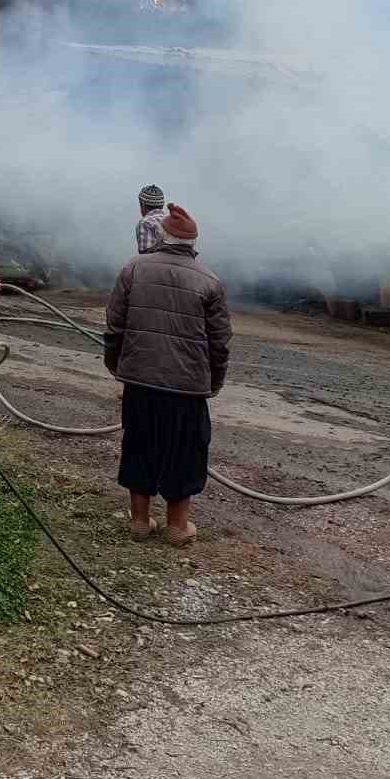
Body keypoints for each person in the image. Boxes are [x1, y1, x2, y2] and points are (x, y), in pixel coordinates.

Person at [104, 203, 231, 548]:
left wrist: (117, 366)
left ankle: (140, 523)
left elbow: (114, 326)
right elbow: (220, 343)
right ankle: (177, 527)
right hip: (187, 387)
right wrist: (213, 382)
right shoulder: (210, 281)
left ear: (163, 238)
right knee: (185, 449)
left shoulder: (133, 268)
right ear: (192, 244)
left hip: (140, 380)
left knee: (139, 442)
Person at [135, 183, 168, 254]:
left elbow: (145, 254)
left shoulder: (145, 223)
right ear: (162, 205)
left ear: (143, 205)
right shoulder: (171, 220)